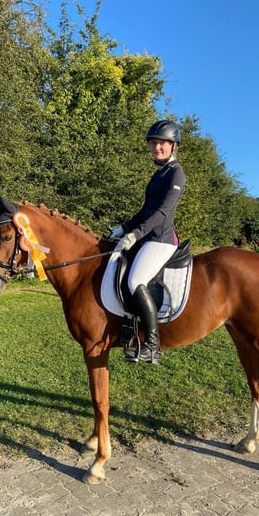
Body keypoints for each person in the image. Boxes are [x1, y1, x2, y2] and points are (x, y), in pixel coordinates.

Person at [108, 120, 186, 364]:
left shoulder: (176, 173)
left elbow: (162, 213)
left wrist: (135, 235)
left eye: (161, 143)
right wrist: (124, 227)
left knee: (135, 280)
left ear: (173, 146)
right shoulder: (159, 173)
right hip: (147, 236)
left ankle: (152, 345)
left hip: (161, 239)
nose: (156, 147)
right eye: (153, 143)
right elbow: (145, 210)